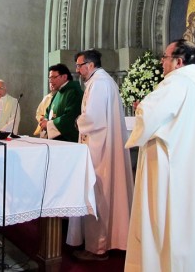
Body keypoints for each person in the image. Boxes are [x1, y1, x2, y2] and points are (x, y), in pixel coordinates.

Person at [124, 40, 195, 271]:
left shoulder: (176, 83)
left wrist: (140, 107)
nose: (161, 62)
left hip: (170, 167)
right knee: (193, 220)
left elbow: (149, 117)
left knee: (169, 221)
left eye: (165, 57)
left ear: (178, 62)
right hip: (192, 166)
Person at [67, 49, 134, 261]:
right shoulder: (103, 81)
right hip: (103, 146)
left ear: (90, 65)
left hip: (99, 149)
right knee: (103, 194)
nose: (77, 70)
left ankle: (97, 248)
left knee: (97, 195)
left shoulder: (99, 84)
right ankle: (107, 242)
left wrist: (78, 121)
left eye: (79, 66)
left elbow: (94, 119)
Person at [39, 63, 83, 142]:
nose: (51, 81)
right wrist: (45, 120)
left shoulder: (73, 92)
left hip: (68, 141)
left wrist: (48, 124)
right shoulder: (58, 92)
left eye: (54, 77)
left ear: (65, 77)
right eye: (50, 78)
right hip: (56, 140)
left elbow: (70, 117)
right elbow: (48, 111)